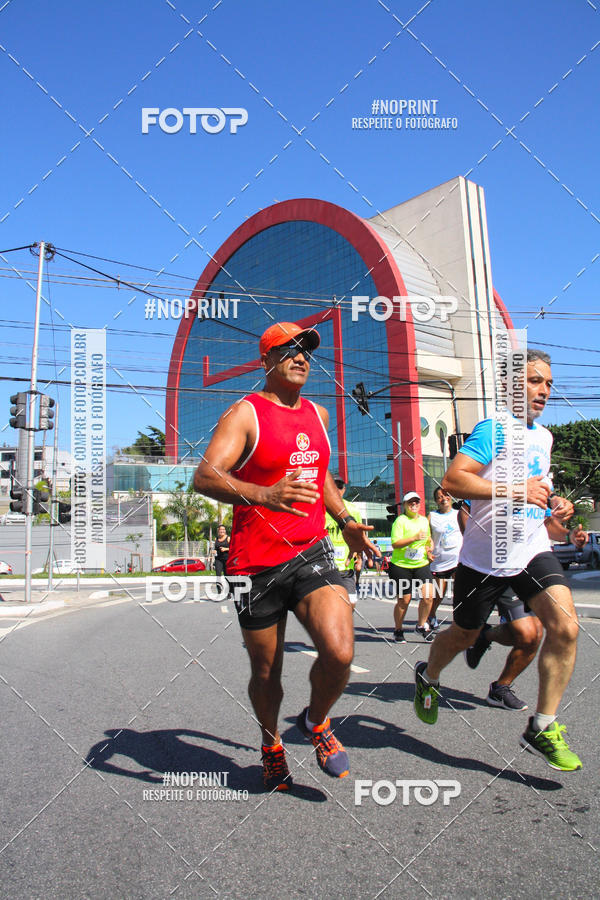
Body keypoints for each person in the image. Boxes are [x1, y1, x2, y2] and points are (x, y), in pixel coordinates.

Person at [193, 322, 379, 791]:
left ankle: (315, 722)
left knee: (339, 652)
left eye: (305, 351)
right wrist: (264, 494)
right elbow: (206, 478)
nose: (300, 357)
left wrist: (346, 522)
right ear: (266, 361)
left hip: (311, 551)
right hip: (254, 565)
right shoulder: (245, 413)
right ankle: (271, 743)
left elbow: (322, 479)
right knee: (265, 672)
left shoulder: (317, 413)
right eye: (288, 350)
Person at [413, 350, 583, 771]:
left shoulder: (543, 438)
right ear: (511, 387)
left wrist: (554, 506)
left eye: (547, 383)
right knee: (463, 636)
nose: (542, 390)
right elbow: (454, 480)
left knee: (565, 626)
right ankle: (428, 677)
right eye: (533, 381)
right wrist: (514, 489)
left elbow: (536, 489)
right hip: (484, 559)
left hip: (529, 549)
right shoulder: (494, 430)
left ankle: (542, 725)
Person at [459, 501, 543, 711]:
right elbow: (465, 512)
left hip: (528, 566)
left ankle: (485, 641)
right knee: (525, 634)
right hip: (496, 566)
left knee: (532, 636)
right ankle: (499, 687)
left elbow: (547, 521)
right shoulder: (490, 474)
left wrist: (568, 532)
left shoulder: (538, 479)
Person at [388, 491, 435, 643]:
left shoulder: (423, 521)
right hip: (401, 565)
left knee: (428, 596)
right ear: (405, 505)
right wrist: (414, 538)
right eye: (411, 503)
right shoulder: (400, 521)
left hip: (421, 563)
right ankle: (398, 629)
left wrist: (429, 550)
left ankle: (421, 626)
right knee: (404, 600)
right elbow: (395, 544)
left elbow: (428, 540)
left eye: (416, 502)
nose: (414, 505)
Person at [325, 474, 363, 606]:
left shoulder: (353, 510)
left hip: (346, 566)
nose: (337, 489)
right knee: (328, 605)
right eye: (333, 486)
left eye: (340, 486)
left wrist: (360, 558)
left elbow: (359, 536)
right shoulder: (320, 508)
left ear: (344, 489)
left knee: (350, 603)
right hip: (325, 567)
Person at [427, 487, 462, 631]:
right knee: (439, 594)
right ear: (436, 501)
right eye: (440, 497)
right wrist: (427, 550)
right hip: (439, 561)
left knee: (460, 593)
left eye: (446, 495)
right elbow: (426, 536)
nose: (443, 499)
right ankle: (431, 615)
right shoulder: (431, 516)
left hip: (458, 559)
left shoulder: (460, 513)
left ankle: (459, 622)